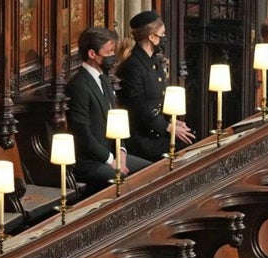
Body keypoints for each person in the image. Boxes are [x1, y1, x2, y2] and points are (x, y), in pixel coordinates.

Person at [67, 27, 151, 194]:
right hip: (90, 161)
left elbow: (116, 119)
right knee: (126, 183)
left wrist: (121, 151)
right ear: (92, 54)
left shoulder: (105, 79)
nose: (113, 56)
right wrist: (111, 160)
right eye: (109, 52)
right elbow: (82, 132)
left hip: (113, 153)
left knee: (152, 172)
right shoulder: (79, 85)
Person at [116, 11, 194, 163]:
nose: (164, 38)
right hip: (142, 137)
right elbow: (141, 109)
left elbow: (157, 101)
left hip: (156, 130)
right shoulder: (134, 66)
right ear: (151, 37)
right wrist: (168, 128)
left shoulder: (154, 61)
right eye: (162, 34)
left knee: (191, 140)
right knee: (182, 151)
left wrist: (172, 122)